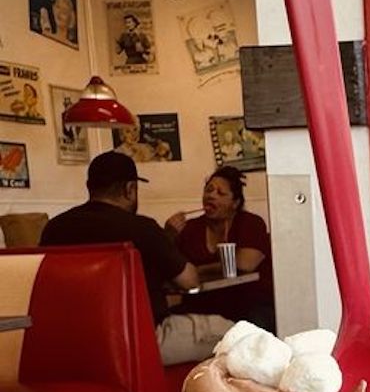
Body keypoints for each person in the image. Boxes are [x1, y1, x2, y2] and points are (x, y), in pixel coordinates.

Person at [39, 151, 233, 365]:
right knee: (236, 332)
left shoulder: (54, 228)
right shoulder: (142, 228)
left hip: (71, 341)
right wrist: (166, 239)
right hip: (137, 340)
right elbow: (190, 281)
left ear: (89, 187)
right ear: (129, 189)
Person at [165, 166, 275, 331]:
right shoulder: (190, 228)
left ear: (235, 203)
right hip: (203, 304)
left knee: (252, 327)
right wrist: (168, 236)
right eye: (208, 190)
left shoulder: (251, 223)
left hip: (249, 302)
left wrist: (197, 271)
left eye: (221, 193)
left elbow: (245, 264)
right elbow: (170, 271)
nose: (211, 195)